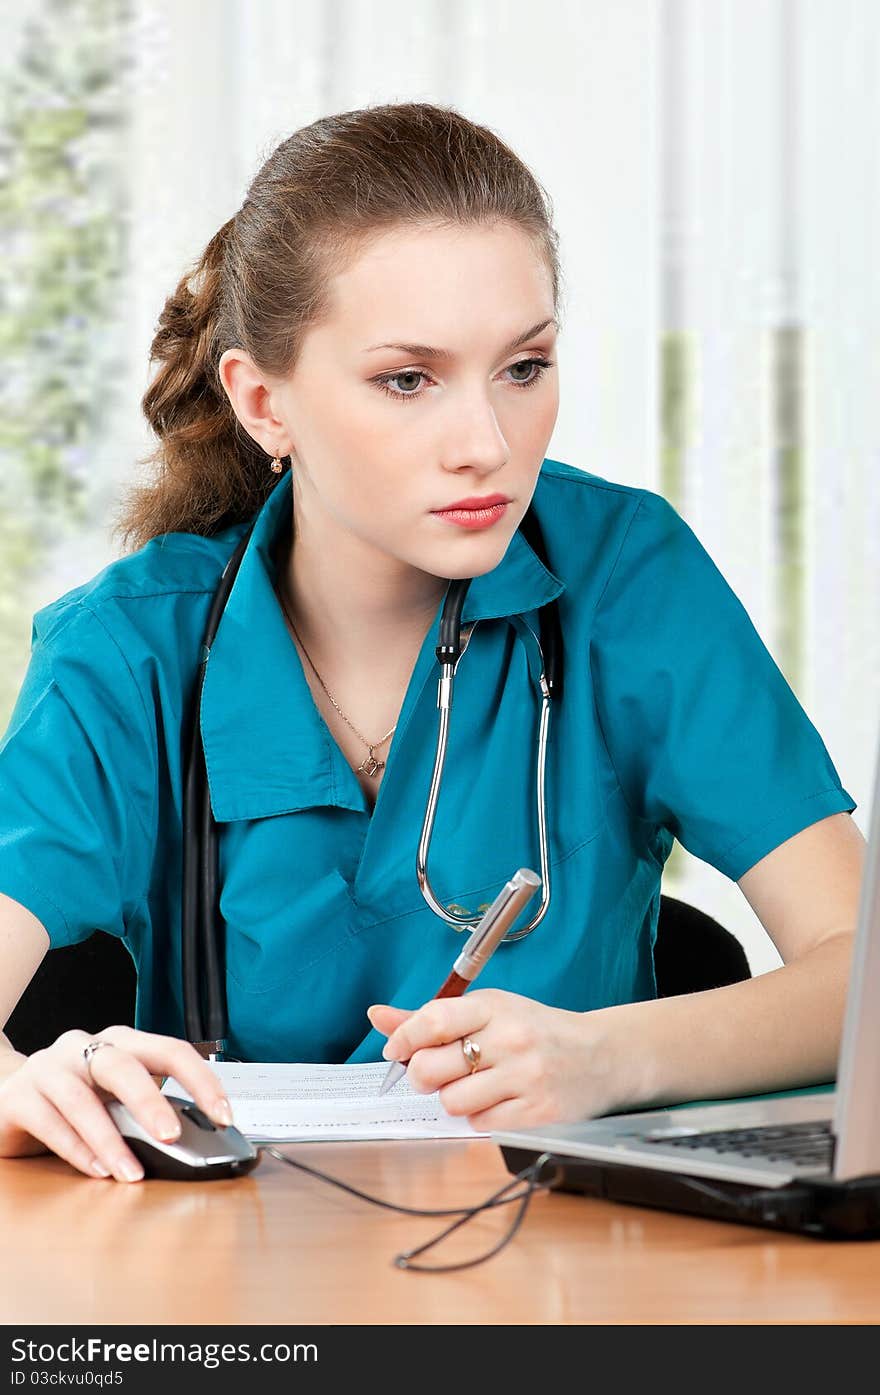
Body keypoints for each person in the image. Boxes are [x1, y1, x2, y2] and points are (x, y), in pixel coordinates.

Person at [0, 102, 866, 1186]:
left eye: (523, 368)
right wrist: (27, 1081)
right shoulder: (127, 648)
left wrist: (609, 1058)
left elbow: (861, 976)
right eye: (407, 380)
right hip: (233, 1278)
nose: (487, 446)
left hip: (568, 1263)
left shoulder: (627, 578)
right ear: (263, 400)